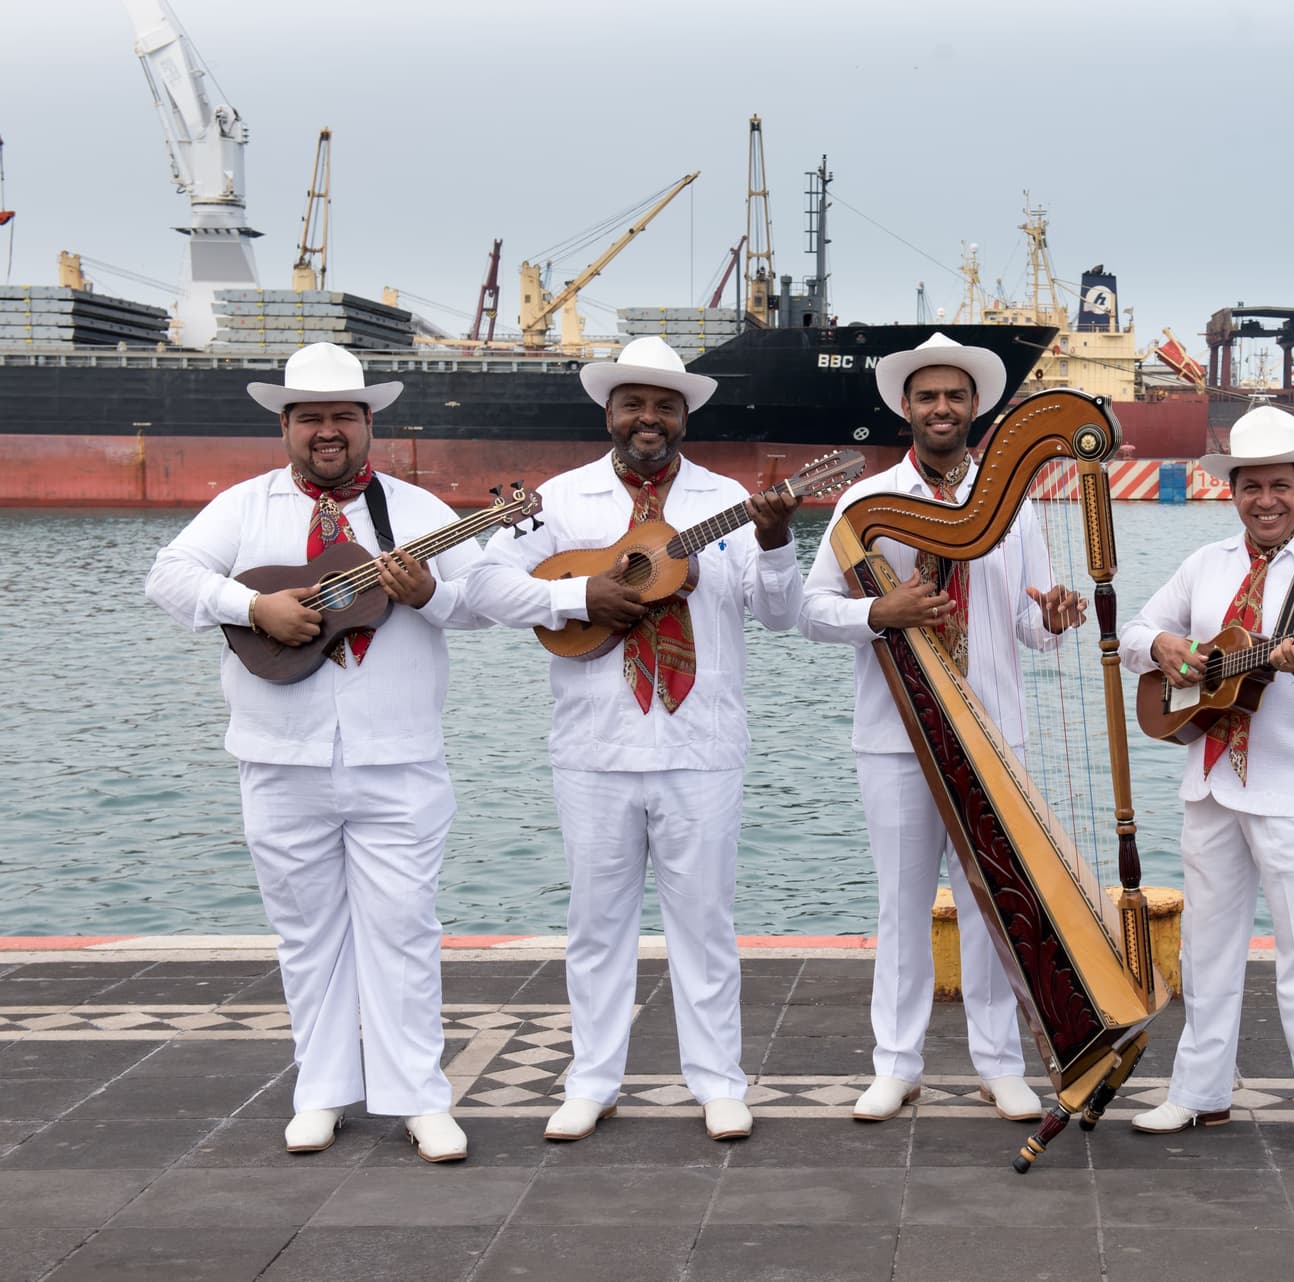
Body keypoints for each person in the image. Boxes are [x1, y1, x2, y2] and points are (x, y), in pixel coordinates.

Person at [145, 342, 486, 1162]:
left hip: (397, 758)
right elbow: (169, 576)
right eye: (309, 418)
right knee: (305, 931)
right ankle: (322, 1090)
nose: (326, 432)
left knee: (404, 927)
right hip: (278, 754)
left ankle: (418, 1098)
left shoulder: (421, 510)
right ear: (286, 426)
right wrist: (251, 605)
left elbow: (487, 601)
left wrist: (430, 593)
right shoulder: (244, 506)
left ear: (369, 422)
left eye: (342, 416)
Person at [464, 336, 800, 1144]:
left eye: (664, 404)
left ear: (684, 415)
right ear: (608, 411)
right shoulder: (561, 499)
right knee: (596, 923)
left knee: (706, 923)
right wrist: (583, 594)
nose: (648, 417)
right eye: (633, 403)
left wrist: (778, 539)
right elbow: (482, 583)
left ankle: (719, 1081)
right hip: (593, 745)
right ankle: (591, 1080)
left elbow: (780, 613)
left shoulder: (726, 499)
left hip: (703, 743)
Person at [797, 333, 1085, 1125]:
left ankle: (1000, 1064)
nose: (942, 408)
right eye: (928, 396)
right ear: (905, 408)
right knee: (901, 902)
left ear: (975, 407)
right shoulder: (865, 507)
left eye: (955, 396)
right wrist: (876, 613)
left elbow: (1032, 627)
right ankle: (897, 1062)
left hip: (994, 729)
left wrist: (1056, 618)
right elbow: (811, 612)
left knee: (997, 899)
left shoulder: (1012, 504)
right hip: (894, 734)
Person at [1118, 406, 1294, 1169]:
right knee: (1205, 950)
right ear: (1232, 492)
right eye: (1250, 486)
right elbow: (1135, 634)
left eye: (1280, 485)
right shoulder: (1203, 564)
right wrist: (1166, 647)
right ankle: (1199, 1091)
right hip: (1207, 782)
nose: (1266, 500)